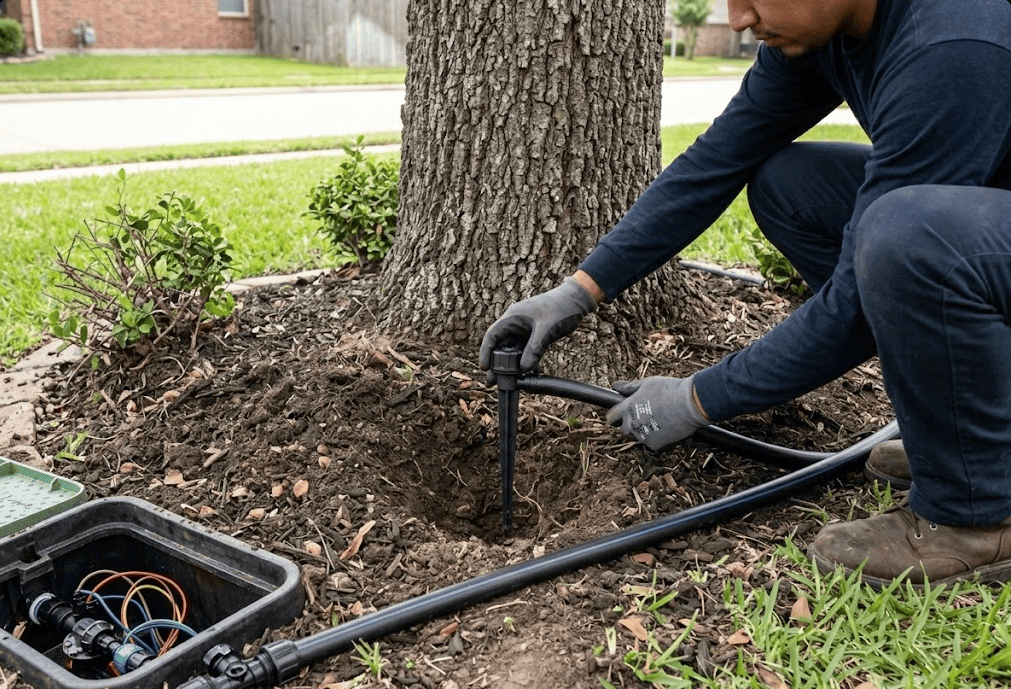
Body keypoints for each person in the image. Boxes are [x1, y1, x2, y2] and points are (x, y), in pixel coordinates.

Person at [480, 0, 1011, 588]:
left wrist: (699, 399)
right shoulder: (820, 31)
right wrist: (578, 290)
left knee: (908, 238)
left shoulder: (957, 45)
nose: (736, 19)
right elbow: (718, 158)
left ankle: (976, 515)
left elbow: (857, 299)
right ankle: (972, 439)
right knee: (790, 187)